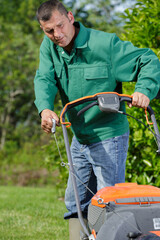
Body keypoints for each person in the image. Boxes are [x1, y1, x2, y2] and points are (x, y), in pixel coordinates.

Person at [34, 0, 160, 239]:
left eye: (60, 26)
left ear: (70, 17)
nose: (56, 35)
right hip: (79, 138)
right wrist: (45, 109)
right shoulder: (49, 47)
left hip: (108, 136)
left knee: (107, 204)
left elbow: (148, 60)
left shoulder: (104, 44)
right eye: (49, 30)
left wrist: (143, 89)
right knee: (75, 203)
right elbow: (44, 79)